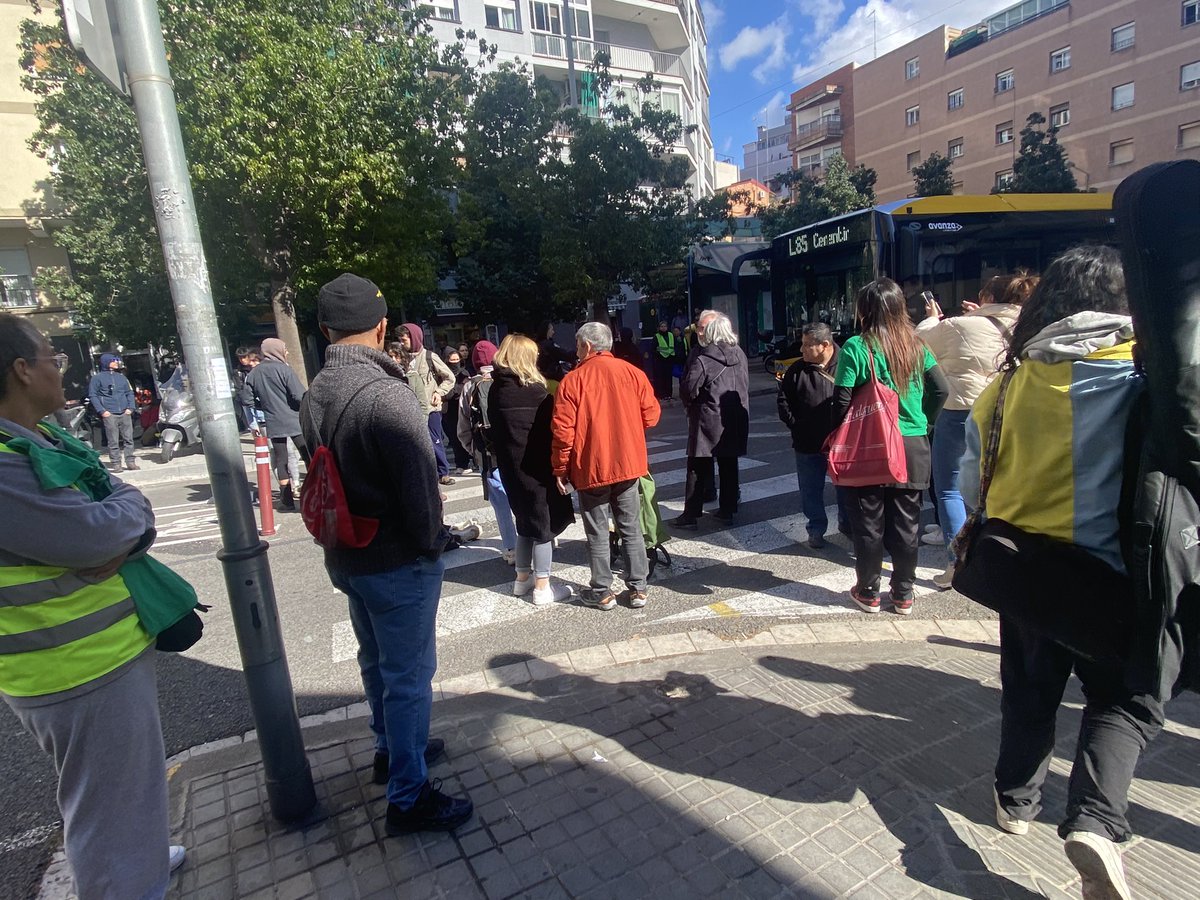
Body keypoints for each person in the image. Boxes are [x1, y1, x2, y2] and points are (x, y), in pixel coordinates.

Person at [958, 246, 1156, 899]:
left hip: (1023, 578)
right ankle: (1097, 821)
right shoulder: (1137, 377)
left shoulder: (1005, 386)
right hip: (1112, 581)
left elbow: (970, 483)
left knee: (1028, 691)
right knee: (1124, 698)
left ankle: (1015, 804)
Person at [0, 313, 186, 896]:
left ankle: (145, 859)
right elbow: (98, 532)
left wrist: (122, 520)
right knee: (106, 805)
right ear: (22, 370)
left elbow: (119, 502)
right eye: (53, 356)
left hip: (104, 646)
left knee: (130, 789)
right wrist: (120, 524)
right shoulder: (5, 461)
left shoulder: (45, 438)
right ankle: (128, 882)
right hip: (68, 663)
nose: (63, 367)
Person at [300, 274, 472, 834]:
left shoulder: (315, 393)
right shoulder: (386, 394)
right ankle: (408, 793)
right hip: (397, 559)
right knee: (409, 676)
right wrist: (433, 546)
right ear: (380, 328)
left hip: (347, 553)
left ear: (325, 330)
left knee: (374, 663)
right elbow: (421, 489)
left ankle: (390, 749)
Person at [833, 278, 949, 616]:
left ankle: (868, 591)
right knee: (906, 523)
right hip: (912, 443)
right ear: (900, 307)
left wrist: (837, 438)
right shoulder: (917, 345)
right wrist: (923, 421)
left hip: (871, 444)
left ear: (864, 310)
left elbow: (840, 402)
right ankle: (903, 594)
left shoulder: (856, 346)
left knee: (868, 522)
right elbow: (941, 390)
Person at [917, 273, 1038, 587]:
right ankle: (993, 554)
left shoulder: (961, 325)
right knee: (994, 484)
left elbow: (923, 340)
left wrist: (933, 318)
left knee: (949, 487)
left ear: (986, 298)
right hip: (1009, 409)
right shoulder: (1031, 323)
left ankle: (957, 564)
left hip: (960, 412)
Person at [551, 322, 660, 611]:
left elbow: (563, 433)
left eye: (577, 345)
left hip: (592, 468)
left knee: (597, 532)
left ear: (587, 346)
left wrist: (561, 469)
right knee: (631, 527)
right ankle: (638, 588)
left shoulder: (572, 382)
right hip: (628, 463)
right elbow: (651, 416)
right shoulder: (633, 373)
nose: (575, 351)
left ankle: (602, 590)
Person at [488, 335, 575, 606]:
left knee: (524, 523)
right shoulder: (535, 391)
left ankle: (521, 579)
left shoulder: (495, 389)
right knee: (543, 528)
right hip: (537, 469)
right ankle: (542, 587)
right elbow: (551, 434)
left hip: (510, 468)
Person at [777, 322, 852, 549]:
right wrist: (796, 425)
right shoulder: (797, 370)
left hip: (841, 443)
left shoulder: (847, 364)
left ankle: (847, 524)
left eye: (807, 345)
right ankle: (816, 528)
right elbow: (783, 401)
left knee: (846, 488)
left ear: (825, 345)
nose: (802, 350)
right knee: (810, 488)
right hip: (808, 443)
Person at [673, 311, 749, 529]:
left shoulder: (704, 358)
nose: (698, 332)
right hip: (734, 416)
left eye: (702, 328)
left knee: (697, 466)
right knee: (728, 463)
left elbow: (688, 389)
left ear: (714, 330)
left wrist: (689, 404)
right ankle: (727, 509)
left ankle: (691, 514)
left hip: (707, 417)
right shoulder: (739, 353)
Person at [457, 341, 519, 566]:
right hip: (513, 449)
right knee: (520, 496)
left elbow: (463, 427)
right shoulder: (510, 378)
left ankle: (511, 549)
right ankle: (533, 539)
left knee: (500, 503)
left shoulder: (470, 386)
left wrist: (473, 450)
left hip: (487, 454)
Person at [241, 338, 309, 511]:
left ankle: (286, 499)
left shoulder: (254, 373)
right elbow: (299, 395)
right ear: (276, 350)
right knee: (307, 454)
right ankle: (315, 491)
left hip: (273, 420)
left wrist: (263, 405)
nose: (286, 352)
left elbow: (246, 399)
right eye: (284, 349)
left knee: (281, 459)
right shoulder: (284, 370)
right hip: (294, 418)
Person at [398, 323, 456, 486]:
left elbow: (449, 377)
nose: (402, 344)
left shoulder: (429, 356)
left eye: (404, 340)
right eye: (400, 340)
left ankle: (443, 472)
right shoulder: (400, 358)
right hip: (409, 407)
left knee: (434, 440)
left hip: (430, 408)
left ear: (414, 338)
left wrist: (439, 392)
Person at [87, 352, 139, 471]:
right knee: (113, 440)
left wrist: (131, 408)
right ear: (106, 363)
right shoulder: (97, 378)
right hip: (109, 414)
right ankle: (116, 463)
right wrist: (102, 411)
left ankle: (130, 462)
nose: (116, 363)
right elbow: (93, 395)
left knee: (129, 439)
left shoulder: (121, 377)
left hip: (125, 413)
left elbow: (129, 393)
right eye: (114, 360)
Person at [440, 346, 473, 475]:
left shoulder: (464, 374)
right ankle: (460, 463)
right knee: (453, 437)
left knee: (464, 433)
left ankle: (467, 461)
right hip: (448, 411)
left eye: (457, 360)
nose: (455, 363)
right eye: (452, 360)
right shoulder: (442, 374)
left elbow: (464, 389)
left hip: (461, 408)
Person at [651, 320, 675, 402]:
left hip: (669, 359)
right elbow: (654, 348)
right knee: (661, 378)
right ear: (659, 328)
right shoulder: (656, 336)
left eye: (665, 326)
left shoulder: (671, 335)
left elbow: (673, 346)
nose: (663, 328)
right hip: (660, 360)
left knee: (669, 378)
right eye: (662, 326)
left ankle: (669, 394)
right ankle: (662, 395)